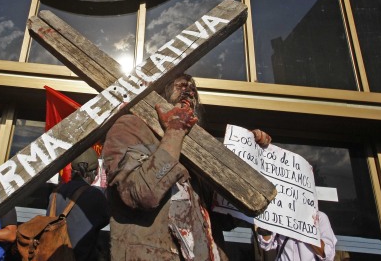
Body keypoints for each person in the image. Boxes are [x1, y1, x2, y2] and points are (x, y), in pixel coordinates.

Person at [103, 73, 271, 261]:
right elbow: (140, 193)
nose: (189, 92)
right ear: (160, 92)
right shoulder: (131, 127)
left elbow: (224, 218)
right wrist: (175, 132)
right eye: (182, 86)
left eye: (193, 90)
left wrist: (246, 153)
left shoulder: (200, 151)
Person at [47, 148, 110, 261]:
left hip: (53, 256)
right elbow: (106, 219)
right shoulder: (95, 195)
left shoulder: (55, 193)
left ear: (71, 170)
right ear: (96, 171)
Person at [255, 210, 337, 261]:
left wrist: (306, 230)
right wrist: (265, 228)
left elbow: (328, 255)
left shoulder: (320, 217)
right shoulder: (281, 214)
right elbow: (266, 245)